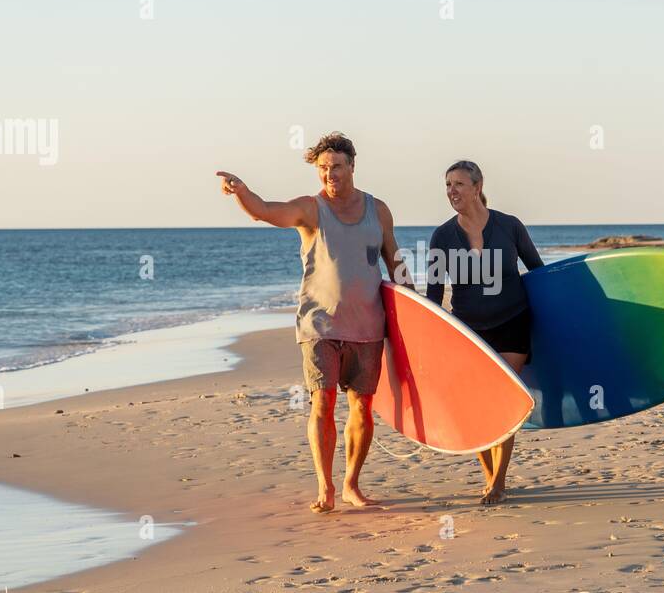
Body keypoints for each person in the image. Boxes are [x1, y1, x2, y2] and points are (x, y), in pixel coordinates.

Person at [217, 132, 411, 513]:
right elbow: (266, 211)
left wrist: (415, 304)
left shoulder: (379, 210)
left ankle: (352, 484)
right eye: (323, 168)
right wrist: (242, 192)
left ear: (352, 166)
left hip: (368, 326)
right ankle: (326, 487)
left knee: (361, 407)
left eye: (336, 166)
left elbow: (395, 259)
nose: (330, 175)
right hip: (319, 325)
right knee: (322, 402)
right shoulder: (310, 209)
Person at [425, 160, 542, 504]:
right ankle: (490, 475)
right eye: (447, 185)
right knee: (474, 407)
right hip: (470, 330)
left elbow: (537, 272)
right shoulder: (442, 237)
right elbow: (433, 295)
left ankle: (499, 481)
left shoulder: (509, 227)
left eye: (459, 184)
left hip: (512, 323)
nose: (452, 191)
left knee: (502, 398)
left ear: (477, 187)